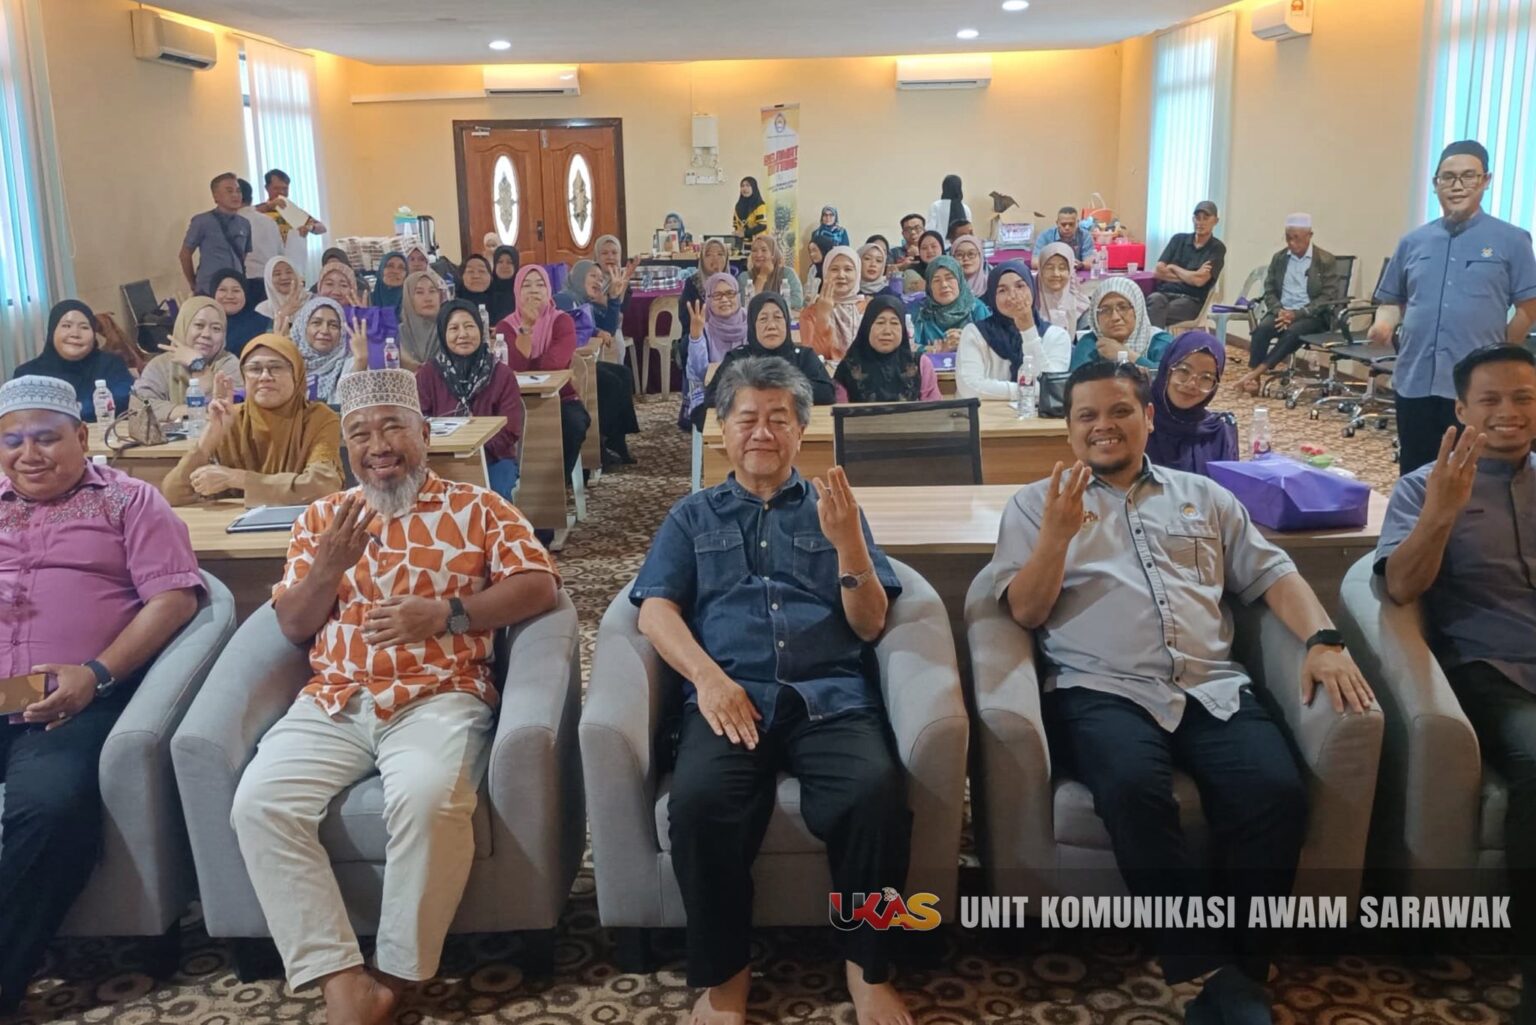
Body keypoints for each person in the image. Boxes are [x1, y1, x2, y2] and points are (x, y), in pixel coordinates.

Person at [992, 359, 1373, 1025]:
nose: (1104, 426)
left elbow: (1271, 572)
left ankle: (1245, 965)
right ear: (1069, 429)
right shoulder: (1034, 504)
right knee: (1133, 791)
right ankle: (1208, 968)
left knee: (1275, 792)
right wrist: (1056, 537)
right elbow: (1024, 610)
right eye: (1087, 416)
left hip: (1211, 683)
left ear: (1148, 417)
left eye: (1119, 411)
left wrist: (1324, 639)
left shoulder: (1205, 497)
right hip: (1100, 686)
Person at [229, 368, 560, 1025]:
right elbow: (293, 624)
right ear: (346, 447)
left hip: (438, 692)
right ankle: (340, 978)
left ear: (424, 433)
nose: (377, 446)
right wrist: (329, 564)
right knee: (258, 802)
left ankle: (395, 974)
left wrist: (449, 614)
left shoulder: (479, 508)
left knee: (430, 797)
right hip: (334, 698)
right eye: (360, 434)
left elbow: (539, 585)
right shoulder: (322, 519)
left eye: (392, 428)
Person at [633, 356, 915, 1025]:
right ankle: (726, 975)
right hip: (731, 696)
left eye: (778, 419)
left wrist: (848, 546)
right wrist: (708, 679)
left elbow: (870, 623)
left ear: (800, 431)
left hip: (828, 694)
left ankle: (868, 967)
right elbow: (654, 610)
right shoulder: (691, 516)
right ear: (722, 430)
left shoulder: (834, 509)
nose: (762, 432)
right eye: (747, 418)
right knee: (699, 805)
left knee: (874, 795)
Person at [0, 375, 204, 1017]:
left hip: (68, 703)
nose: (28, 455)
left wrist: (96, 673)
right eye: (11, 442)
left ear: (82, 437)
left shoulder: (129, 500)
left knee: (49, 809)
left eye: (45, 439)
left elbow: (174, 597)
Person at [1375, 345, 1536, 1022]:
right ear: (1462, 410)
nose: (1508, 413)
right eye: (1490, 400)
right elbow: (1400, 586)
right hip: (1493, 671)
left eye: (1523, 398)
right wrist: (1443, 511)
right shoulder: (1422, 487)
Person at [1369, 139, 1536, 475]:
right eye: (1448, 177)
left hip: (1475, 388)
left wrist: (1500, 352)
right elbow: (1391, 299)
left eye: (1468, 176)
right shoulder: (1413, 242)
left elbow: (1529, 306)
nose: (1457, 186)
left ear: (1486, 180)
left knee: (1472, 475)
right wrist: (1383, 323)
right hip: (1415, 378)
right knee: (1416, 472)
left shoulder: (1512, 240)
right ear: (1436, 185)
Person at [160, 333, 343, 507]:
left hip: (299, 522)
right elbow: (173, 495)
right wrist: (207, 441)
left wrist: (237, 479)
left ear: (296, 374)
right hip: (228, 525)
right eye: (255, 369)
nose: (265, 377)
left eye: (276, 367)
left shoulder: (319, 418)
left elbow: (322, 486)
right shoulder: (229, 418)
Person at [415, 299, 524, 498]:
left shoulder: (502, 374)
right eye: (454, 328)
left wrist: (475, 446)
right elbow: (418, 423)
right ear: (443, 334)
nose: (463, 334)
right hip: (441, 459)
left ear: (480, 330)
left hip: (495, 458)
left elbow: (511, 430)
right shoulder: (427, 374)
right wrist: (450, 448)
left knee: (494, 494)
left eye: (469, 326)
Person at [494, 265, 590, 479]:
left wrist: (528, 359)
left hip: (560, 396)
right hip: (515, 400)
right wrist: (526, 329)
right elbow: (514, 367)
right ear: (517, 292)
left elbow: (553, 364)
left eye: (540, 285)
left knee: (575, 423)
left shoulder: (562, 321)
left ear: (548, 291)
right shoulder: (505, 327)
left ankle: (558, 481)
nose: (534, 290)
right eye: (526, 285)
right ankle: (517, 481)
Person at [1232, 214, 1343, 395]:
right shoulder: (1280, 258)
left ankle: (1254, 374)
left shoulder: (1325, 260)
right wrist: (1279, 311)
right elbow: (1269, 289)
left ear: (1309, 236)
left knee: (1292, 332)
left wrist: (1296, 314)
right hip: (1282, 312)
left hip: (1312, 316)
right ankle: (1255, 381)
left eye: (1296, 238)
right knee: (1261, 331)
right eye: (1288, 238)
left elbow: (1327, 297)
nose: (1292, 243)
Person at [696, 293, 835, 429]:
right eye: (763, 319)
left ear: (787, 322)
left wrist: (764, 391)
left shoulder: (803, 356)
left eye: (778, 317)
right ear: (752, 325)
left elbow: (826, 393)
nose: (771, 325)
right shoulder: (738, 358)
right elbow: (713, 397)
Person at [552, 262, 641, 466]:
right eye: (593, 276)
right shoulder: (564, 298)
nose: (598, 282)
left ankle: (617, 440)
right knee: (611, 383)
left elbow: (608, 329)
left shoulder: (585, 302)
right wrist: (595, 331)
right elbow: (569, 324)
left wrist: (614, 298)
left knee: (623, 374)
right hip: (568, 366)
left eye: (601, 279)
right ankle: (600, 442)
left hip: (584, 361)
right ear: (578, 277)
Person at [956, 261, 1073, 400]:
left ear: (1032, 289)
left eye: (1020, 286)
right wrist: (1026, 390)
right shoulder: (975, 333)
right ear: (992, 296)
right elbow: (970, 388)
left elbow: (1051, 389)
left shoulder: (1057, 336)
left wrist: (1028, 330)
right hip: (985, 413)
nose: (1013, 295)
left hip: (1038, 414)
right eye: (1002, 290)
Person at [13, 300, 134, 423]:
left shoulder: (111, 365)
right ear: (52, 331)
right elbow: (19, 417)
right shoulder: (27, 374)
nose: (75, 334)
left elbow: (126, 399)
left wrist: (65, 412)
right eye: (66, 326)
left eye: (84, 327)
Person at [1145, 330, 1239, 475]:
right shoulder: (1140, 421)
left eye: (1206, 378)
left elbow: (1229, 486)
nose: (1192, 384)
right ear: (1167, 368)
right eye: (1184, 371)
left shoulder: (1217, 431)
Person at [133, 297, 242, 421]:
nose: (206, 334)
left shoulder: (229, 364)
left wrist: (199, 366)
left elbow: (232, 408)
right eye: (199, 325)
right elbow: (140, 405)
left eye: (216, 328)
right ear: (183, 326)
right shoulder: (161, 364)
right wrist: (191, 411)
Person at [833, 294, 941, 403]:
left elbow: (935, 409)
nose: (887, 331)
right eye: (880, 323)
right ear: (867, 327)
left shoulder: (920, 364)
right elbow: (839, 411)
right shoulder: (848, 368)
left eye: (894, 323)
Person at [1147, 200, 1227, 328]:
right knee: (1153, 300)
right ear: (1193, 219)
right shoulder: (1178, 239)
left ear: (1215, 221)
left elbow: (1199, 281)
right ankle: (1157, 339)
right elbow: (1158, 271)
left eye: (1205, 218)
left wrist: (1173, 267)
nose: (1200, 222)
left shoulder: (1217, 248)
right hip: (1164, 294)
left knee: (1154, 312)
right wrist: (1191, 277)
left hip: (1191, 301)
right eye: (1197, 218)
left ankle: (1153, 340)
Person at [683, 272, 750, 423]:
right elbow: (700, 373)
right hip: (713, 392)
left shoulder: (751, 323)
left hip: (748, 390)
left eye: (730, 293)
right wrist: (696, 337)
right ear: (708, 299)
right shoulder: (704, 327)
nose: (724, 300)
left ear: (738, 296)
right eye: (717, 295)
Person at [1070, 278, 1173, 372]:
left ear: (1137, 310)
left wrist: (1127, 355)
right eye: (1105, 310)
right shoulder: (1090, 343)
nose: (1115, 317)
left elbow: (1169, 377)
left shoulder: (1159, 341)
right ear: (1095, 317)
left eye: (1123, 307)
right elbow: (1076, 382)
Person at [180, 172, 252, 295]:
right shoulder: (202, 221)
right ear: (216, 196)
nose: (235, 195)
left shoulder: (244, 223)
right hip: (208, 288)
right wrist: (193, 283)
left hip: (236, 287)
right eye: (229, 191)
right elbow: (185, 254)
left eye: (238, 191)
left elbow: (243, 255)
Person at [911, 256, 989, 355]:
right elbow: (909, 349)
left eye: (949, 278)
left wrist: (969, 341)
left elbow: (994, 346)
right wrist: (939, 349)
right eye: (936, 280)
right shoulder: (921, 313)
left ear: (959, 280)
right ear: (929, 287)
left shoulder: (976, 309)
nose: (944, 285)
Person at [800, 245, 865, 361]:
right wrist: (823, 317)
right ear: (825, 272)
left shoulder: (868, 309)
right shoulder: (810, 313)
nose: (841, 275)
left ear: (858, 273)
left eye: (848, 269)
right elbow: (813, 358)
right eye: (834, 269)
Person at [290, 295, 355, 404]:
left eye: (333, 325)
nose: (325, 331)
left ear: (342, 332)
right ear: (303, 327)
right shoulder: (288, 364)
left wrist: (361, 363)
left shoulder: (350, 365)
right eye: (316, 323)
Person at [255, 168, 326, 251]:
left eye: (285, 188)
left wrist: (310, 227)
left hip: (292, 255)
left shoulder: (291, 210)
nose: (281, 192)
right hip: (268, 255)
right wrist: (269, 206)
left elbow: (322, 228)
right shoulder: (259, 210)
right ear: (267, 188)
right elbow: (246, 214)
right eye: (276, 188)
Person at [206, 268, 271, 355]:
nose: (229, 296)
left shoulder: (264, 323)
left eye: (236, 290)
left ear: (245, 294)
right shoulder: (203, 322)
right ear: (213, 293)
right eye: (222, 290)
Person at [681, 238, 734, 341]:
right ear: (702, 259)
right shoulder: (692, 283)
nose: (715, 259)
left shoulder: (732, 283)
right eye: (709, 255)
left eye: (720, 254)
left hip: (727, 335)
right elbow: (685, 318)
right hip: (698, 334)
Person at [738, 233, 804, 311]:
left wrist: (766, 305)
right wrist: (762, 276)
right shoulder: (744, 277)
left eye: (764, 250)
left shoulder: (787, 273)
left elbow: (797, 301)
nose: (758, 255)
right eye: (754, 251)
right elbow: (748, 305)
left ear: (773, 253)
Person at [1036, 241, 1092, 333]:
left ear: (1070, 271)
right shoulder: (1030, 305)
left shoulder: (1082, 308)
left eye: (1062, 268)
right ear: (1041, 270)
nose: (1056, 274)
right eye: (1049, 268)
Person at [397, 270, 446, 371]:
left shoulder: (450, 330)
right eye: (419, 292)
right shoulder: (396, 335)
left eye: (432, 291)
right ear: (409, 298)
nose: (428, 299)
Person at [1032, 206, 1096, 265]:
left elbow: (1090, 262)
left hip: (1076, 270)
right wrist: (1059, 265)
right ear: (1057, 223)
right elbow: (1035, 262)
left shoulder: (1085, 236)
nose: (1067, 228)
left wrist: (1081, 265)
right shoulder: (1045, 236)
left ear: (1077, 223)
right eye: (1063, 224)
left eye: (1071, 224)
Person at [257, 254, 307, 324]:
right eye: (277, 274)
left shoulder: (312, 301)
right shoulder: (263, 310)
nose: (284, 277)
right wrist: (282, 314)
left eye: (289, 272)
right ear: (269, 280)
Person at [489, 245, 521, 321]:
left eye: (509, 262)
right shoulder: (487, 290)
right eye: (500, 262)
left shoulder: (521, 291)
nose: (504, 266)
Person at [733, 176, 768, 242]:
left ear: (754, 187)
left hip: (758, 243)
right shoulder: (738, 206)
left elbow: (762, 226)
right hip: (742, 244)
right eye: (742, 186)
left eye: (748, 185)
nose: (744, 188)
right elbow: (736, 226)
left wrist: (745, 233)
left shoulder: (760, 205)